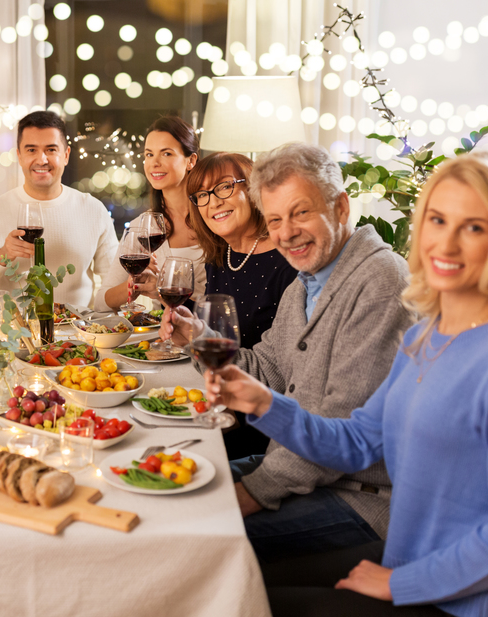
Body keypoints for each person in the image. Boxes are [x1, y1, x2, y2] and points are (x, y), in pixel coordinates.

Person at [208, 151, 488, 617]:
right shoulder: (426, 337)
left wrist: (400, 582)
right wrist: (267, 403)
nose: (446, 243)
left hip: (467, 605)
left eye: (474, 227)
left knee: (231, 592)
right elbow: (357, 440)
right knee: (231, 588)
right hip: (411, 570)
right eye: (437, 220)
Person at [161, 142, 413, 563]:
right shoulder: (304, 284)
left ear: (340, 207)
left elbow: (341, 431)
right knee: (165, 496)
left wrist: (250, 493)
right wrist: (197, 338)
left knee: (191, 540)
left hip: (362, 496)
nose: (286, 232)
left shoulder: (381, 282)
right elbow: (266, 370)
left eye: (301, 212)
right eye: (275, 219)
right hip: (295, 466)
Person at [185, 152, 297, 459]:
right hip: (221, 403)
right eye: (202, 195)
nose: (213, 202)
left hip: (264, 427)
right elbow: (216, 336)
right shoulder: (220, 257)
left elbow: (283, 373)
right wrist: (189, 328)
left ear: (254, 189)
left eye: (224, 187)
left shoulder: (289, 263)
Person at [0, 110, 118, 307]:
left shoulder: (93, 209)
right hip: (16, 326)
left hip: (78, 326)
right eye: (31, 150)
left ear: (66, 155)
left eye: (51, 150)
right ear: (19, 156)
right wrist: (1, 256)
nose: (42, 160)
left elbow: (114, 282)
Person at [95, 116, 207, 311]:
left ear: (191, 161)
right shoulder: (142, 227)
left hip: (214, 327)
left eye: (166, 153)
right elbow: (101, 304)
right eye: (149, 154)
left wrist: (163, 286)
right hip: (163, 330)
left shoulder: (214, 216)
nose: (154, 163)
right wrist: (134, 284)